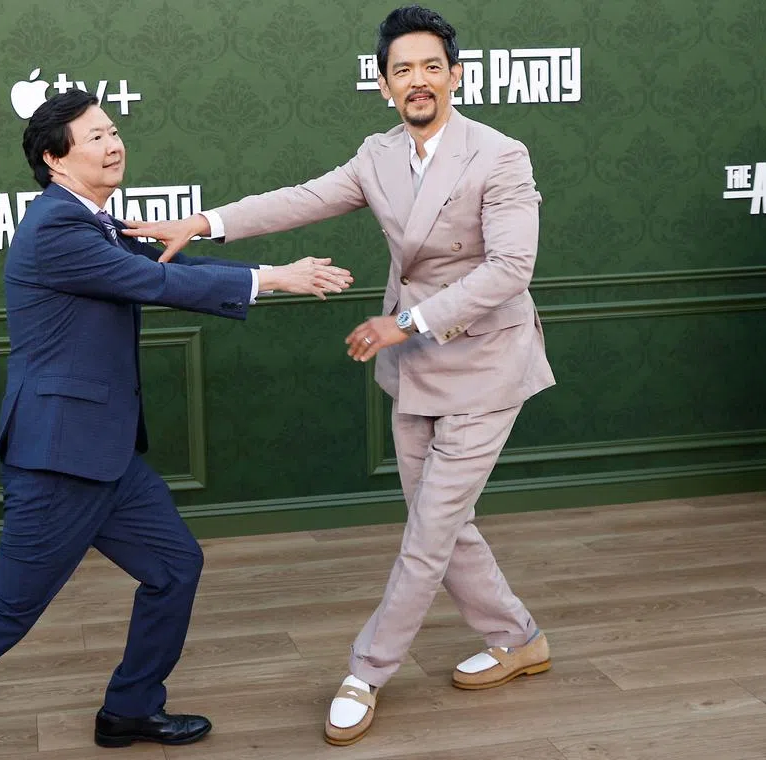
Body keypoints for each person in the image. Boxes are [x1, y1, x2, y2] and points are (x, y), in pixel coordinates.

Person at [0, 89, 353, 759]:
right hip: (56, 463)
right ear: (54, 159)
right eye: (95, 136)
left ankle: (130, 710)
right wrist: (273, 277)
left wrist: (253, 268)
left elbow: (167, 267)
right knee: (3, 619)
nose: (113, 144)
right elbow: (157, 286)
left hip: (103, 455)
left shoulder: (96, 222)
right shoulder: (56, 227)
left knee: (174, 567)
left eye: (113, 131)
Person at [124, 5, 556, 746]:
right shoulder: (378, 154)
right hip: (415, 367)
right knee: (444, 526)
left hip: (484, 362)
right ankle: (517, 637)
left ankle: (366, 669)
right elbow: (303, 199)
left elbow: (512, 267)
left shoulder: (499, 155)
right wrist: (202, 224)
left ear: (455, 76)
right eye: (401, 71)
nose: (416, 82)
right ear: (384, 85)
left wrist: (409, 321)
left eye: (430, 67)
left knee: (428, 533)